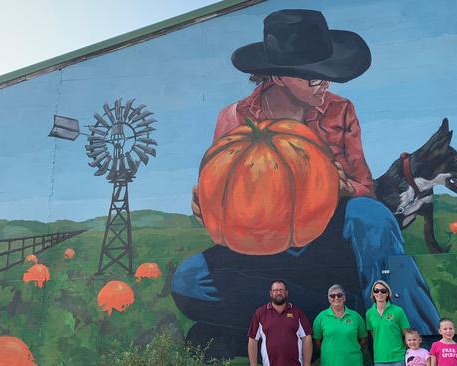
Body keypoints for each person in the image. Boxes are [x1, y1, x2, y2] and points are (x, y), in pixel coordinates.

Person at [172, 8, 439, 358]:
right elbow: (221, 195)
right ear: (280, 76)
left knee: (371, 216)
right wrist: (207, 204)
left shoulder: (340, 111)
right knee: (188, 280)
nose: (324, 86)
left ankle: (420, 343)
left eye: (327, 77)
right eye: (314, 78)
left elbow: (364, 186)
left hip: (325, 237)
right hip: (259, 243)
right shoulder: (234, 120)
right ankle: (335, 320)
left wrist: (337, 188)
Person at [248, 280, 313, 366]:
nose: (278, 293)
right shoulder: (260, 313)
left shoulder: (297, 313)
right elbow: (253, 340)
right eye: (275, 290)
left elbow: (307, 339)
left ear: (286, 293)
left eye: (281, 290)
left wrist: (307, 364)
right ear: (271, 293)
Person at [312, 284, 368, 366]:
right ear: (329, 299)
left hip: (354, 362)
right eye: (332, 296)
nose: (336, 298)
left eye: (339, 295)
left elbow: (363, 339)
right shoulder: (321, 317)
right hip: (329, 362)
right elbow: (317, 340)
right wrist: (328, 351)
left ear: (344, 298)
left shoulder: (356, 316)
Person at [365, 280, 410, 366]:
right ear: (373, 294)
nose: (379, 293)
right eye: (376, 290)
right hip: (380, 359)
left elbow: (407, 334)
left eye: (383, 291)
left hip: (398, 358)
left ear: (387, 293)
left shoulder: (398, 311)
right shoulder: (369, 313)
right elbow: (374, 336)